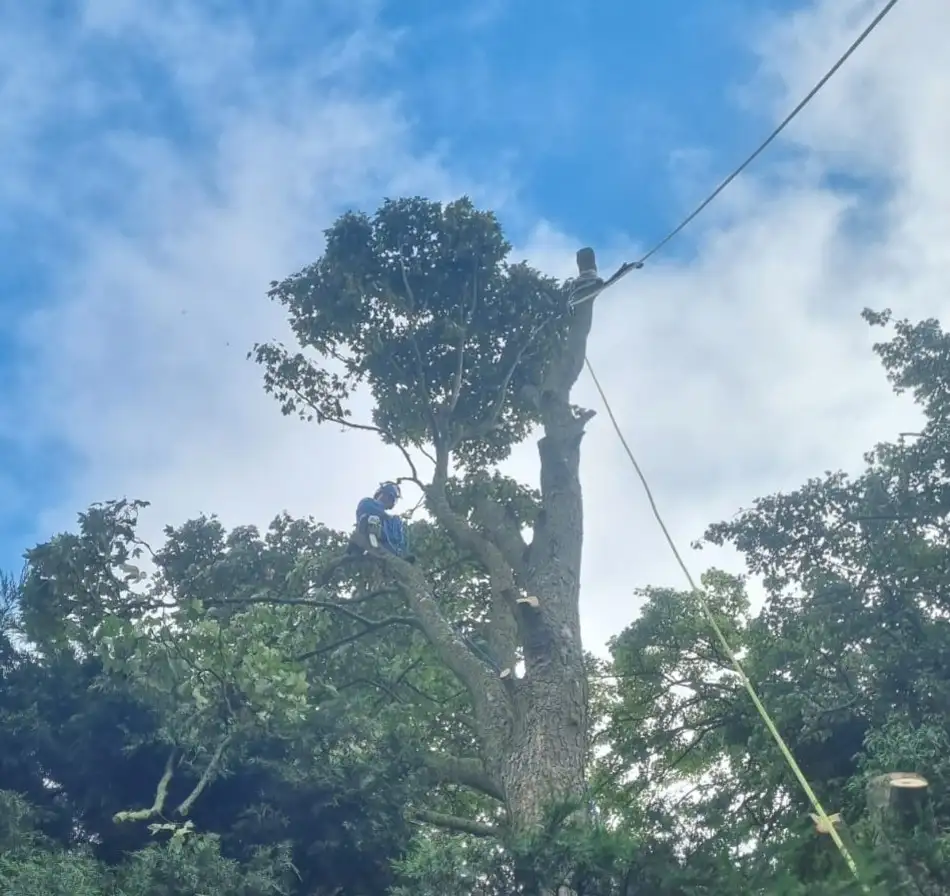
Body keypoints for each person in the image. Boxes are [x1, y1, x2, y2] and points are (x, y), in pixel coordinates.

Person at [352, 481, 411, 559]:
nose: (389, 500)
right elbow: (366, 509)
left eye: (392, 499)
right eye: (389, 497)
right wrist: (384, 514)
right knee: (373, 520)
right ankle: (373, 542)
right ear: (382, 494)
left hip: (386, 544)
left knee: (396, 521)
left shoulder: (392, 520)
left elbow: (399, 537)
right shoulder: (367, 501)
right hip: (368, 535)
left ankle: (399, 553)